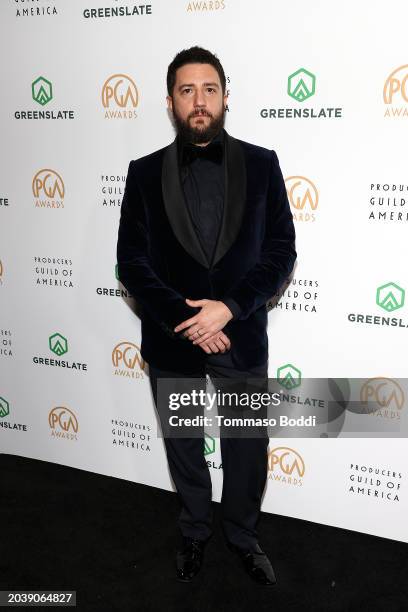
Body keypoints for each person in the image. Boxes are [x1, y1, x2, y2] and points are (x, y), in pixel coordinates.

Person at [116, 46, 296, 586]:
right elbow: (132, 263)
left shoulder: (263, 164)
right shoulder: (143, 174)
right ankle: (194, 530)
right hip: (174, 340)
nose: (200, 101)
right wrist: (188, 319)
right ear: (170, 102)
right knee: (185, 447)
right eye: (187, 90)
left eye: (209, 89)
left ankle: (242, 535)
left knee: (246, 448)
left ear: (225, 96)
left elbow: (280, 251)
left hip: (240, 334)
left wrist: (229, 309)